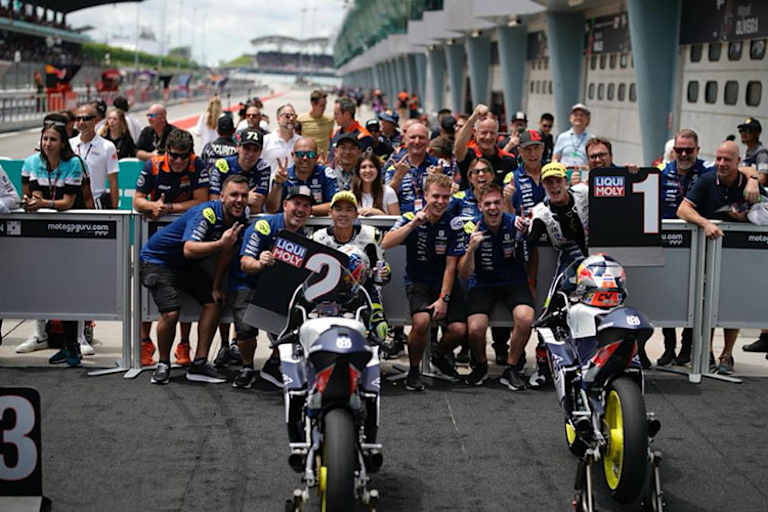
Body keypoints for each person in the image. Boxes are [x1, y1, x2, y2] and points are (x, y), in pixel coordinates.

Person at [139, 175, 249, 385]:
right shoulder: (206, 213)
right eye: (234, 194)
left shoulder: (239, 219)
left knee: (214, 301)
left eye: (244, 195)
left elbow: (226, 253)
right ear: (222, 197)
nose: (239, 200)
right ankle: (163, 364)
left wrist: (216, 286)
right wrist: (220, 244)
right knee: (171, 313)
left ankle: (199, 363)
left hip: (185, 265)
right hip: (157, 260)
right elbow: (189, 249)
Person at [677, 141, 764, 375]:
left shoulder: (748, 181)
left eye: (727, 159)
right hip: (707, 252)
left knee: (732, 303)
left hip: (739, 255)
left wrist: (753, 190)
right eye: (718, 158)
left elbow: (764, 213)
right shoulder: (707, 180)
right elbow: (682, 210)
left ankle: (727, 355)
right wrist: (705, 224)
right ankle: (706, 353)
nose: (721, 163)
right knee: (706, 302)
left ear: (738, 162)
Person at [214, 185, 314, 389]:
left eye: (306, 206)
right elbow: (245, 263)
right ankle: (247, 367)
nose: (300, 209)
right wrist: (260, 263)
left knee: (293, 319)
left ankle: (274, 362)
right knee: (245, 328)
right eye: (296, 203)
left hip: (278, 288)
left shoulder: (305, 235)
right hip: (247, 283)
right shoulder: (264, 225)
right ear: (285, 205)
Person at [15, 114, 93, 366]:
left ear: (63, 143)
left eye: (53, 139)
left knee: (68, 290)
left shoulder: (74, 164)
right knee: (49, 290)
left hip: (72, 232)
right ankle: (51, 338)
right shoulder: (30, 162)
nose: (47, 143)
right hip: (43, 234)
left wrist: (43, 203)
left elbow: (68, 203)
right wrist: (33, 202)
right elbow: (30, 195)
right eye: (45, 138)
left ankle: (75, 344)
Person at [382, 173, 467, 391]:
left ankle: (438, 355)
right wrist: (412, 225)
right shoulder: (411, 216)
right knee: (420, 323)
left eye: (445, 197)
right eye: (436, 196)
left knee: (458, 330)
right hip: (417, 282)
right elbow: (386, 243)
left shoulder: (454, 223)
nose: (440, 202)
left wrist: (443, 299)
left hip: (445, 283)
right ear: (426, 195)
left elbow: (451, 266)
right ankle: (413, 370)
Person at [133, 129, 210, 366]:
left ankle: (184, 345)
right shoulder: (153, 165)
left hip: (187, 236)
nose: (177, 161)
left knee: (184, 297)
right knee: (148, 295)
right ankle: (145, 343)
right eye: (173, 155)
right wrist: (151, 206)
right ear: (167, 152)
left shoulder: (198, 165)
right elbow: (137, 200)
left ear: (190, 154)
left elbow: (201, 201)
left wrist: (170, 208)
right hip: (154, 237)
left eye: (182, 156)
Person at [459, 183, 534, 389]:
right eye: (488, 204)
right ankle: (481, 366)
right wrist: (471, 249)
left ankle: (511, 368)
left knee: (526, 318)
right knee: (475, 328)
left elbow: (531, 254)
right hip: (483, 283)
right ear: (480, 206)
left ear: (503, 204)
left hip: (513, 281)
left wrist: (532, 281)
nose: (492, 208)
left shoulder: (516, 224)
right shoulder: (471, 227)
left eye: (496, 203)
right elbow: (464, 273)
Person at [312, 191, 391, 323]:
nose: (343, 214)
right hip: (327, 297)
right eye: (338, 209)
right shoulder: (318, 238)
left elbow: (382, 272)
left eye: (349, 210)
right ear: (330, 213)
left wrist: (384, 272)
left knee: (379, 330)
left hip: (364, 294)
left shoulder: (371, 235)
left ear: (356, 214)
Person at [266, 136, 336, 215]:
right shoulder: (283, 175)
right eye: (300, 154)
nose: (305, 158)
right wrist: (277, 184)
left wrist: (305, 210)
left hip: (320, 225)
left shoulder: (326, 173)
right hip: (288, 225)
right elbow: (271, 209)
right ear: (292, 155)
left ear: (316, 157)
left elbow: (335, 205)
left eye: (310, 154)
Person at [454, 104, 517, 190]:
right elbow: (458, 148)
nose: (488, 137)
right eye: (484, 133)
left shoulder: (508, 160)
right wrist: (473, 117)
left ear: (497, 135)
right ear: (475, 133)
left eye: (492, 133)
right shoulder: (468, 154)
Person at [208, 128, 270, 214]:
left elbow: (257, 206)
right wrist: (246, 198)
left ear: (260, 152)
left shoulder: (263, 167)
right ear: (238, 147)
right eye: (247, 148)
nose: (251, 154)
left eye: (255, 150)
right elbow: (213, 202)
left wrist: (230, 199)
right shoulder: (221, 165)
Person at [71, 102, 119, 210]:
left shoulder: (108, 146)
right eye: (78, 119)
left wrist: (115, 211)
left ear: (95, 120)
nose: (81, 122)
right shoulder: (69, 144)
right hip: (72, 203)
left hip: (97, 204)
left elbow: (113, 182)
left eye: (86, 119)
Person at [385, 123, 441, 213]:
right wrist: (398, 177)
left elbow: (450, 196)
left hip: (431, 220)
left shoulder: (439, 166)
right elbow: (386, 198)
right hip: (401, 221)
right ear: (405, 141)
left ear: (428, 141)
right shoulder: (394, 167)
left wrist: (439, 179)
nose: (417, 142)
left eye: (421, 137)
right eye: (413, 137)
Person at [552, 103, 593, 180]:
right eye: (575, 115)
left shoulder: (592, 139)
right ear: (570, 118)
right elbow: (555, 158)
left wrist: (588, 167)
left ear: (587, 120)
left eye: (581, 115)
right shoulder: (562, 137)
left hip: (583, 177)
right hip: (564, 176)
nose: (578, 117)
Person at [329, 96, 373, 165]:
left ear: (347, 115)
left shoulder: (364, 136)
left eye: (336, 114)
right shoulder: (334, 133)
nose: (334, 117)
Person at [262, 104, 300, 175]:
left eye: (294, 116)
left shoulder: (301, 142)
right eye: (287, 116)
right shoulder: (265, 141)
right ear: (278, 119)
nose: (291, 119)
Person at [297, 90, 334, 160]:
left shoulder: (330, 121)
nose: (324, 108)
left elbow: (330, 139)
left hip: (323, 161)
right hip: (306, 159)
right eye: (321, 105)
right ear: (313, 104)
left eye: (325, 105)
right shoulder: (301, 120)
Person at [738, 117, 768, 186]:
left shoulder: (762, 153)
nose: (743, 133)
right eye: (741, 130)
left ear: (757, 133)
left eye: (748, 130)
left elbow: (762, 178)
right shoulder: (748, 151)